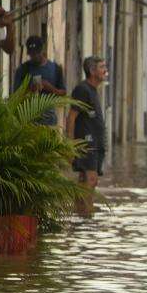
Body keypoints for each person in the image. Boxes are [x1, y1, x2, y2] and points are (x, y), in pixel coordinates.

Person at [66, 56, 108, 216]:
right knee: (89, 180)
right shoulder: (82, 89)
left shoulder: (92, 90)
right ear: (92, 71)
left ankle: (82, 213)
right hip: (86, 143)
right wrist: (70, 144)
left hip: (95, 144)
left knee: (89, 180)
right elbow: (71, 117)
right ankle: (85, 214)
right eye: (102, 67)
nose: (105, 70)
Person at [12, 36, 66, 126]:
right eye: (32, 54)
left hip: (49, 120)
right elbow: (15, 96)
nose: (35, 56)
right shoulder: (23, 69)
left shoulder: (55, 69)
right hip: (28, 119)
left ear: (42, 50)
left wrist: (50, 88)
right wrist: (30, 89)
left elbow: (63, 93)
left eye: (37, 53)